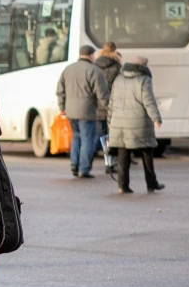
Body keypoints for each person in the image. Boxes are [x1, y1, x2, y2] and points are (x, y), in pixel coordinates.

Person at [108, 56, 165, 194]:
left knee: (123, 154)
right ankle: (151, 183)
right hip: (138, 123)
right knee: (147, 151)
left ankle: (123, 186)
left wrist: (110, 121)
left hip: (119, 122)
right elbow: (149, 101)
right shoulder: (144, 80)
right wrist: (156, 118)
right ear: (143, 67)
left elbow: (112, 103)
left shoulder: (118, 79)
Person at [56, 45, 109, 179]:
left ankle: (74, 164)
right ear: (91, 56)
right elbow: (101, 93)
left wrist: (62, 107)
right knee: (87, 139)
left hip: (70, 110)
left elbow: (60, 90)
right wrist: (108, 107)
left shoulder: (68, 69)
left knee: (76, 136)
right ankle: (84, 169)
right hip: (87, 110)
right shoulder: (94, 70)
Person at [94, 42, 122, 169]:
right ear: (114, 51)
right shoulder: (117, 65)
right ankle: (110, 162)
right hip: (112, 103)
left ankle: (102, 157)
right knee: (112, 134)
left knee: (101, 134)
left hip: (97, 104)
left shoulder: (95, 66)